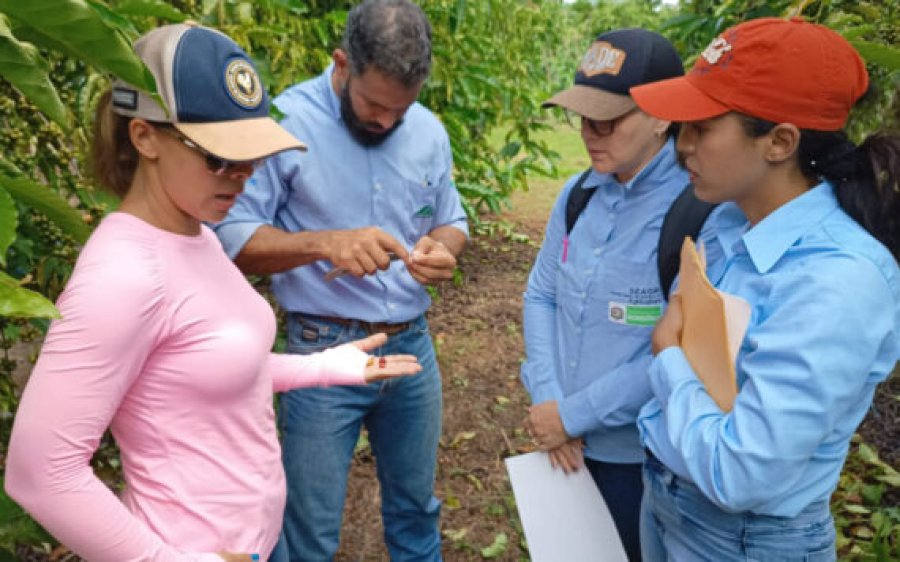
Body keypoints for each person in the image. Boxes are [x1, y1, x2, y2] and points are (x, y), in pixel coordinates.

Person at [4, 22, 421, 562]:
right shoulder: (123, 274)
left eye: (250, 156)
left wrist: (323, 367)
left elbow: (208, 367)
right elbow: (40, 472)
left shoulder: (195, 234)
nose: (243, 176)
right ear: (144, 137)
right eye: (218, 158)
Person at [628, 17, 900, 561]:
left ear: (780, 141)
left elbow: (741, 473)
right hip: (667, 497)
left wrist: (668, 357)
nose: (682, 146)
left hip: (742, 540)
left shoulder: (838, 280)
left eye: (702, 128)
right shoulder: (729, 221)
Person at [213, 1, 468, 559]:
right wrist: (322, 242)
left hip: (412, 346)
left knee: (417, 510)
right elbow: (232, 239)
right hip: (319, 348)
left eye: (401, 110)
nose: (387, 122)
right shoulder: (283, 124)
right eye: (375, 105)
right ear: (342, 63)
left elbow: (452, 218)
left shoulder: (427, 130)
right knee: (308, 525)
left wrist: (443, 249)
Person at [520, 28, 686, 561]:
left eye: (608, 120)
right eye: (583, 118)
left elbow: (678, 351)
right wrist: (549, 402)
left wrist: (574, 416)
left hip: (642, 462)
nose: (591, 134)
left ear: (662, 115)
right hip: (564, 447)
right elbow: (542, 296)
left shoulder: (696, 210)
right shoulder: (576, 196)